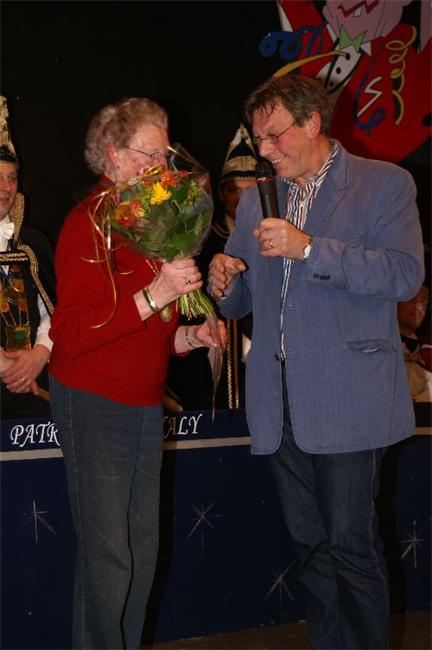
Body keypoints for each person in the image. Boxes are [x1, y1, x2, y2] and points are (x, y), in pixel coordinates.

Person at [208, 74, 424, 649]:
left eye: (275, 136)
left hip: (348, 397)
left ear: (312, 122)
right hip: (278, 402)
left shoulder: (384, 184)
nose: (265, 150)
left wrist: (308, 248)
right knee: (309, 547)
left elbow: (404, 275)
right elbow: (238, 300)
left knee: (351, 546)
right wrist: (223, 279)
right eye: (259, 139)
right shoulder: (255, 200)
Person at [48, 97, 223, 650]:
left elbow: (144, 331)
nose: (164, 168)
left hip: (144, 403)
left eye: (166, 155)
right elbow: (71, 334)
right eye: (151, 154)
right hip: (93, 401)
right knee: (110, 558)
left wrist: (187, 337)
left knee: (141, 555)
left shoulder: (145, 220)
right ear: (114, 154)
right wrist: (156, 293)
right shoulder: (87, 223)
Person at [167, 124, 257, 410]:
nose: (241, 199)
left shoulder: (273, 238)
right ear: (220, 193)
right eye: (233, 190)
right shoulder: (203, 241)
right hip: (212, 351)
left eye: (250, 191)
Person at [0, 96, 55, 420]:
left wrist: (40, 354)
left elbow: (54, 309)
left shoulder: (34, 243)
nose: (5, 187)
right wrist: (5, 366)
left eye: (11, 178)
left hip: (35, 385)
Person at [398, 285, 432, 402]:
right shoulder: (375, 346)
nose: (419, 306)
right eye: (411, 298)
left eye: (423, 302)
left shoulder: (428, 349)